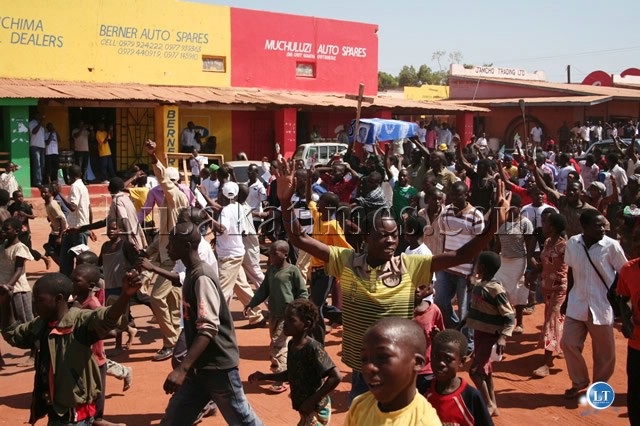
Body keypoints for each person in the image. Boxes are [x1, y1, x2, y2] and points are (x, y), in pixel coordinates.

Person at [275, 158, 510, 401]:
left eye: (393, 235)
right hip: (361, 370)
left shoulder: (410, 264)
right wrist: (284, 201)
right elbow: (299, 238)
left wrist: (492, 226)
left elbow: (463, 255)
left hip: (399, 370)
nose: (390, 240)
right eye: (382, 235)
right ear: (366, 238)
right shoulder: (346, 261)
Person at [0, 271, 141, 425]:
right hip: (54, 408)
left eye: (39, 300)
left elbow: (107, 318)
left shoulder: (79, 322)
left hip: (74, 414)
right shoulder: (40, 324)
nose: (34, 305)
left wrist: (125, 296)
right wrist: (5, 304)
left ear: (58, 299)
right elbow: (13, 335)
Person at [159, 222, 262, 425]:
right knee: (173, 419)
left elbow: (208, 327)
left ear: (187, 246)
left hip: (218, 366)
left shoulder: (202, 277)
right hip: (199, 367)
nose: (168, 248)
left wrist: (182, 368)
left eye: (172, 243)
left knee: (243, 420)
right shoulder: (190, 272)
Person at [560, 209, 627, 399]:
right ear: (585, 227)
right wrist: (566, 297)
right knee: (568, 343)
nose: (603, 228)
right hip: (577, 303)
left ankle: (599, 388)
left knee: (604, 353)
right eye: (598, 225)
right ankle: (579, 381)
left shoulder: (611, 246)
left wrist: (618, 297)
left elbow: (624, 272)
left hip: (601, 305)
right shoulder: (573, 243)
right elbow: (571, 271)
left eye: (603, 225)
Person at [249, 299, 341, 424]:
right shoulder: (292, 344)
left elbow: (336, 376)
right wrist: (265, 376)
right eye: (285, 318)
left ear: (306, 325)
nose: (285, 323)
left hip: (317, 409)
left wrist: (312, 401)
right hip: (306, 408)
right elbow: (292, 373)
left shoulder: (313, 348)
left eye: (291, 320)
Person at [345, 317, 442, 425]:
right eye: (364, 359)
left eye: (382, 357)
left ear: (417, 363)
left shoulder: (424, 422)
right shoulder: (360, 405)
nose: (369, 367)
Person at [144, 140, 190, 361]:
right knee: (172, 303)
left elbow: (163, 179)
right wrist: (150, 250)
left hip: (172, 260)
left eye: (164, 184)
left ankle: (171, 341)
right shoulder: (167, 203)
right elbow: (164, 232)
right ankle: (175, 340)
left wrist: (154, 157)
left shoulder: (176, 197)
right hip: (164, 255)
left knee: (156, 297)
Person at [244, 241, 308, 393]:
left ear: (285, 255)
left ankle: (280, 377)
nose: (271, 256)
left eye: (274, 253)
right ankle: (288, 371)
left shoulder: (293, 271)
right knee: (278, 343)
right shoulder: (271, 270)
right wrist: (252, 303)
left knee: (277, 345)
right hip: (274, 315)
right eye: (270, 253)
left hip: (287, 316)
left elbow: (303, 292)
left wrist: (297, 310)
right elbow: (263, 290)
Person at [71, 264, 127, 426]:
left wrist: (87, 332)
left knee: (95, 405)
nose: (72, 283)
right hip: (83, 360)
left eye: (77, 281)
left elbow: (111, 331)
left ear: (90, 285)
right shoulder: (77, 303)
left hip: (95, 360)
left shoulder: (92, 304)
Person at [436, 181, 484, 351]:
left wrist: (474, 272)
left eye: (458, 195)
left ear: (467, 195)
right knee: (440, 301)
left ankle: (468, 346)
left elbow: (480, 245)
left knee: (465, 310)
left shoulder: (476, 215)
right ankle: (457, 330)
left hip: (466, 270)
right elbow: (443, 238)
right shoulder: (446, 211)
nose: (454, 198)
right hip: (447, 268)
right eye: (452, 194)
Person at [465, 251, 515, 416]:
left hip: (490, 336)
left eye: (478, 264)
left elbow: (509, 317)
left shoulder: (496, 290)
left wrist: (502, 338)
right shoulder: (481, 286)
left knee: (474, 371)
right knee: (485, 371)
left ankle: (488, 404)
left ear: (483, 267)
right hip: (480, 333)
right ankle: (493, 404)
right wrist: (463, 322)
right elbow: (475, 308)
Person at [216, 181, 264, 326]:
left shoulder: (226, 211)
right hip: (237, 252)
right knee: (241, 286)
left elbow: (222, 229)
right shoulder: (238, 207)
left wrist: (209, 220)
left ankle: (217, 323)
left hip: (229, 256)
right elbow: (242, 231)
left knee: (222, 291)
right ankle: (256, 315)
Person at [426, 329, 493, 426]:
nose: (440, 363)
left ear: (461, 361)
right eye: (436, 356)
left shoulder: (471, 397)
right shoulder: (422, 391)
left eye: (448, 359)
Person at [532, 211, 568, 378]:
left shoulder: (565, 246)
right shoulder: (547, 242)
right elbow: (544, 264)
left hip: (560, 288)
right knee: (554, 319)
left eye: (545, 222)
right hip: (546, 287)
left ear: (552, 227)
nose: (543, 225)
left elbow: (572, 268)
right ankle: (561, 346)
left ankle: (546, 364)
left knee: (551, 321)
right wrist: (532, 270)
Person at [492, 194, 534, 334]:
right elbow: (497, 244)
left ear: (519, 208)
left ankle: (519, 323)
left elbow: (529, 246)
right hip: (503, 262)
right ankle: (505, 320)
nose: (509, 211)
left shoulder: (525, 223)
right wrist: (493, 260)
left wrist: (528, 268)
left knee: (518, 292)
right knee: (500, 291)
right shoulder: (501, 222)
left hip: (519, 262)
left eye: (512, 208)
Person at [0, 217, 35, 365]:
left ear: (17, 231)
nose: (3, 231)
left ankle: (34, 352)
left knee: (26, 322)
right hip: (3, 290)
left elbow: (19, 269)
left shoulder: (20, 247)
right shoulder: (3, 246)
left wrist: (8, 286)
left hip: (17, 291)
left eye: (6, 229)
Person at [617, 228, 640, 425]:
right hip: (636, 344)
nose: (636, 245)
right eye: (635, 241)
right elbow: (622, 298)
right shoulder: (628, 270)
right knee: (635, 393)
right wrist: (625, 320)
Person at [56, 165, 91, 276]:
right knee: (66, 258)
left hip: (78, 228)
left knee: (81, 260)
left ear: (69, 176)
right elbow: (89, 208)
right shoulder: (83, 187)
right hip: (75, 227)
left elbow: (72, 207)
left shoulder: (75, 187)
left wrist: (59, 193)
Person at [8, 190, 50, 269]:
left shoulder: (26, 206)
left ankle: (44, 258)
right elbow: (8, 218)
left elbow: (33, 216)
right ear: (14, 198)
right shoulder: (11, 208)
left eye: (22, 196)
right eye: (18, 197)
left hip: (25, 232)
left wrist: (25, 214)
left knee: (27, 249)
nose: (21, 198)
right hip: (15, 232)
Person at [41, 185, 67, 266]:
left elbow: (62, 219)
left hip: (59, 232)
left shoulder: (52, 205)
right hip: (54, 231)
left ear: (50, 193)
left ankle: (63, 268)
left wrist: (60, 236)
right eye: (42, 192)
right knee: (53, 250)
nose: (43, 194)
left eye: (45, 192)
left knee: (50, 250)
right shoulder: (47, 204)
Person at [29, 112, 46, 186]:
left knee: (42, 165)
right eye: (39, 115)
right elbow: (34, 132)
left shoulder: (41, 126)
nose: (41, 116)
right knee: (37, 164)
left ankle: (40, 180)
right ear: (35, 115)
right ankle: (37, 182)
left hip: (42, 147)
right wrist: (41, 122)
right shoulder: (32, 123)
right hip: (35, 146)